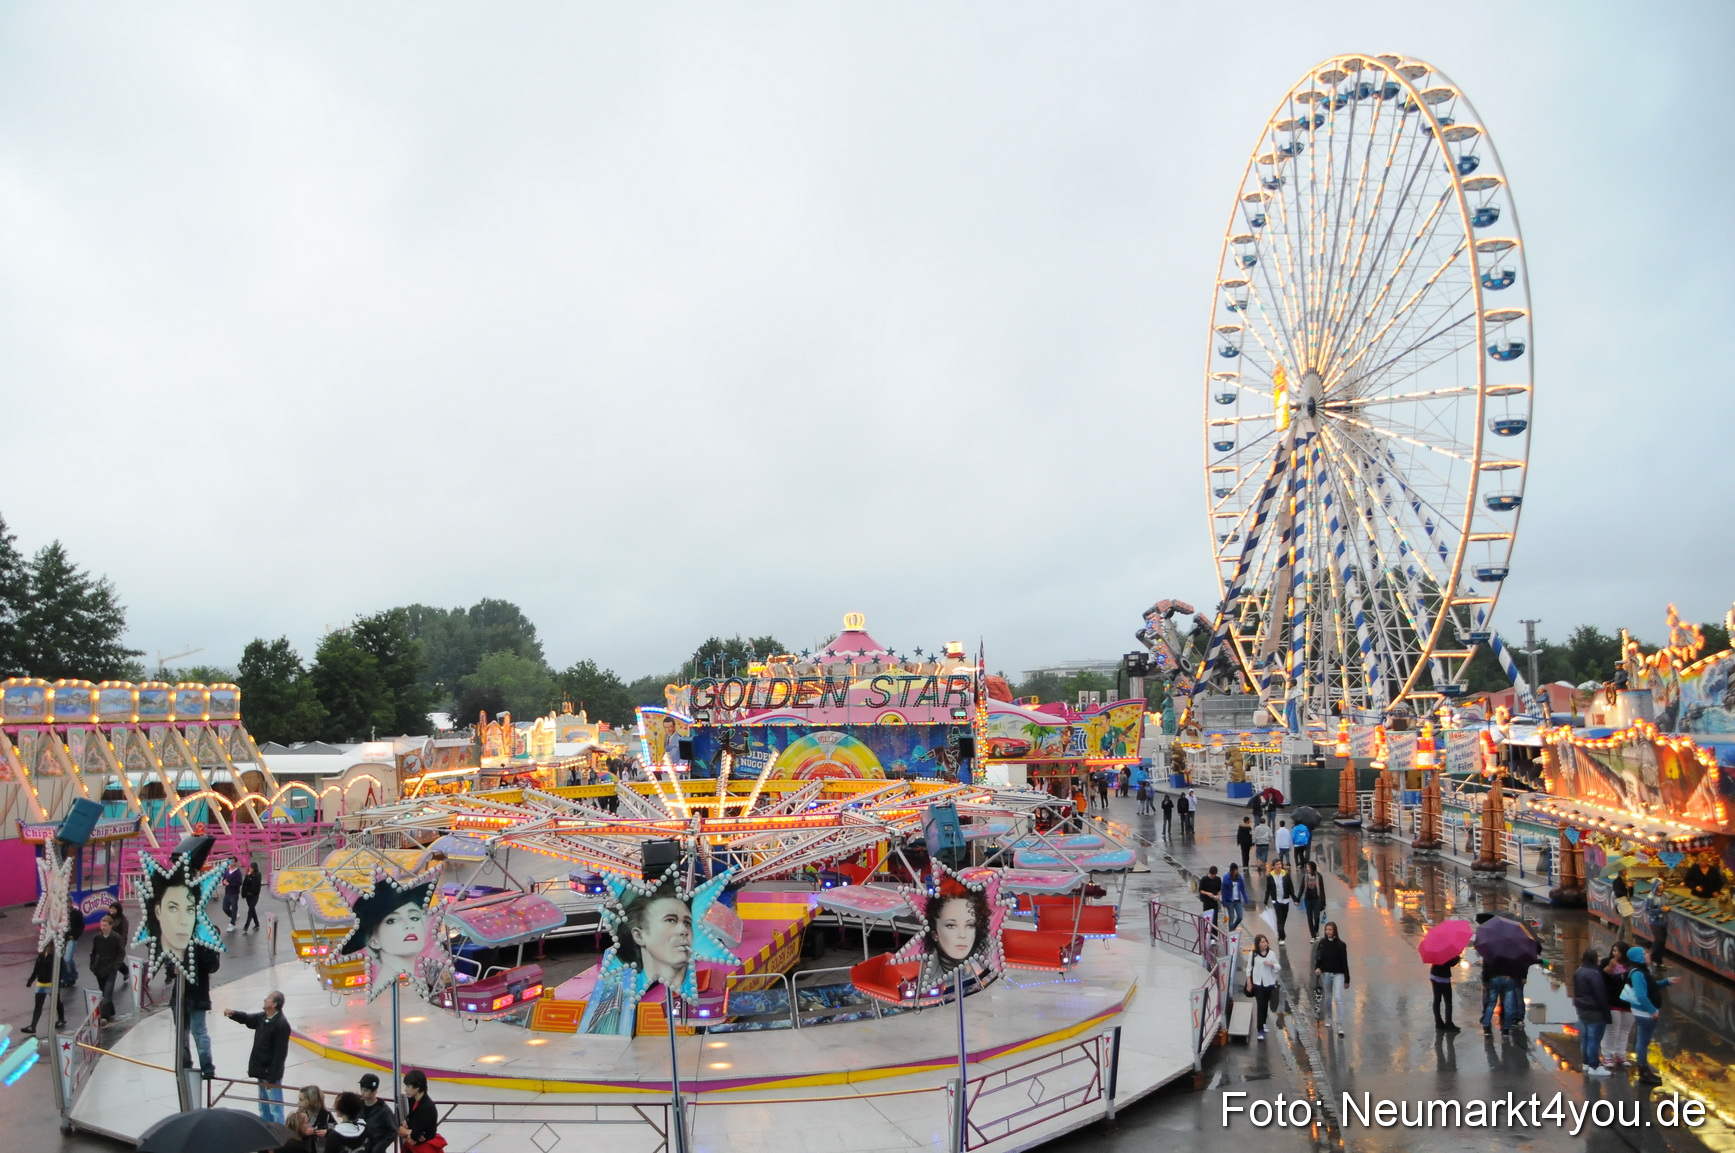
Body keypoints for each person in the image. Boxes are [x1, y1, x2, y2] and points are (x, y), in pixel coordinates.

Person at [226, 990, 290, 1123]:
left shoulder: (281, 1025)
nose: (265, 1000)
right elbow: (248, 1019)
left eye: (268, 998)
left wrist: (272, 1077)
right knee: (263, 1107)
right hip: (261, 1071)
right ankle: (267, 1132)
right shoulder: (263, 1017)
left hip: (270, 1075)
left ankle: (280, 1135)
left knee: (275, 1110)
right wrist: (234, 1014)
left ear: (274, 1004)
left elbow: (280, 1054)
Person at [1625, 945, 1672, 1085]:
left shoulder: (1641, 971)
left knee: (1643, 1042)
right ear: (1638, 957)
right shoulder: (1637, 973)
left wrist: (1666, 982)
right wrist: (1652, 1010)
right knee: (1643, 1042)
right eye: (1644, 953)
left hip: (1645, 1012)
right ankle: (1643, 1071)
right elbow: (1641, 994)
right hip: (1644, 1013)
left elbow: (1650, 986)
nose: (1648, 955)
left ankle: (1644, 1070)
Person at [1572, 947, 1613, 1077]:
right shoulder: (1595, 974)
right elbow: (1600, 994)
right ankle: (1594, 1066)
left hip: (1582, 1009)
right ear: (1595, 959)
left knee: (1585, 1037)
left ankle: (1586, 1063)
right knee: (1594, 1040)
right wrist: (1607, 1015)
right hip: (1595, 1011)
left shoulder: (1579, 971)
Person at [1313, 921, 1350, 1037]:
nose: (1328, 932)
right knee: (1328, 997)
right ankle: (1329, 1017)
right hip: (1326, 973)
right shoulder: (1322, 943)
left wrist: (1347, 979)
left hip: (1338, 974)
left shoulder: (1341, 945)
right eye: (1326, 930)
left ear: (1335, 931)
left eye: (1330, 930)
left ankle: (1340, 1025)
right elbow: (1318, 957)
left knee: (1338, 997)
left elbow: (1344, 962)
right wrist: (1317, 968)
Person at [89, 911, 126, 1022]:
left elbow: (121, 953)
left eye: (105, 925)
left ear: (110, 925)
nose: (103, 927)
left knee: (108, 992)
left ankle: (104, 1016)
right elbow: (94, 952)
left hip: (111, 969)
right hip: (99, 969)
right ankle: (111, 1010)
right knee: (103, 990)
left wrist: (115, 966)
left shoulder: (116, 938)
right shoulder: (97, 938)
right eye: (101, 925)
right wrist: (92, 965)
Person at [1601, 942, 1633, 1069]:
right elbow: (1601, 979)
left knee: (1625, 1030)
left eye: (1619, 951)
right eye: (1614, 950)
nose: (1616, 953)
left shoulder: (1630, 966)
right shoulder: (1606, 962)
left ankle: (1621, 1054)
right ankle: (1608, 1056)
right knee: (1613, 1029)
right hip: (1612, 1001)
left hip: (1627, 1002)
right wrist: (1610, 967)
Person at [1246, 933, 1282, 1040]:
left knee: (1265, 1005)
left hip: (1268, 983)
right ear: (1258, 944)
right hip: (1257, 984)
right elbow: (1248, 968)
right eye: (1262, 942)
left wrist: (1271, 964)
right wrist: (1249, 982)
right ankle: (1260, 1029)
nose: (1264, 943)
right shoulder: (1253, 954)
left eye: (1265, 941)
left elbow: (1278, 967)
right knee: (1260, 1005)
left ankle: (1264, 1023)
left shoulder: (1271, 954)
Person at [22, 945, 63, 1034]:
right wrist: (31, 980)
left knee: (56, 1002)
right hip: (41, 983)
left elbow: (61, 968)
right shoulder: (41, 955)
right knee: (38, 1005)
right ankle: (33, 1026)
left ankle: (61, 1019)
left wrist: (59, 982)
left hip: (52, 983)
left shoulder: (56, 955)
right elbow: (36, 968)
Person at [398, 1068, 441, 1152]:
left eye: (408, 1086)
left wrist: (406, 1131)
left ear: (417, 1087)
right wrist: (409, 1132)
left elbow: (412, 1140)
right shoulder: (411, 1100)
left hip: (425, 1149)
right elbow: (400, 1128)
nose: (405, 1089)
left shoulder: (427, 1107)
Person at [281, 1083, 332, 1151]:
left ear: (311, 1100)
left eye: (301, 1100)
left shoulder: (326, 1115)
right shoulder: (299, 1114)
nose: (298, 1103)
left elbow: (336, 1132)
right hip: (300, 1148)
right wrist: (303, 1132)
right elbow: (291, 1131)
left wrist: (326, 1132)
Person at [357, 1073, 398, 1153]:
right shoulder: (358, 1106)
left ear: (375, 1091)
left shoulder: (384, 1110)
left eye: (365, 1090)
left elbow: (393, 1132)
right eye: (361, 1089)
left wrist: (379, 1147)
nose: (362, 1093)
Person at [1430, 951, 1461, 1032]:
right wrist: (1458, 957)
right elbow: (1452, 963)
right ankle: (1449, 1023)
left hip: (1434, 975)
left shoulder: (1435, 948)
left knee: (1437, 1000)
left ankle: (1438, 1022)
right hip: (1443, 978)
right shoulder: (1446, 950)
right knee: (1448, 1001)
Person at [1265, 863, 1296, 943]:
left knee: (1284, 918)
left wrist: (1295, 899)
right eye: (1277, 864)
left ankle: (1281, 932)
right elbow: (1268, 889)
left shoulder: (1286, 875)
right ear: (1274, 866)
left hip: (1285, 900)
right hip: (1276, 900)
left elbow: (1290, 888)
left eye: (1280, 864)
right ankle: (1281, 937)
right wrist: (1265, 900)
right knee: (1279, 918)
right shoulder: (1270, 876)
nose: (1279, 866)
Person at [1300, 862, 1327, 940]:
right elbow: (1302, 888)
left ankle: (1316, 930)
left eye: (1309, 867)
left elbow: (1322, 890)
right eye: (1307, 867)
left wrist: (1323, 901)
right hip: (1308, 899)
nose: (1307, 869)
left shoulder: (1319, 876)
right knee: (1309, 917)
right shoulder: (1305, 877)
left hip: (1317, 899)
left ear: (1313, 868)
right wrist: (1297, 899)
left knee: (1316, 917)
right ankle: (1313, 935)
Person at [1223, 864, 1248, 931]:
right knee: (1231, 917)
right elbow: (1224, 890)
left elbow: (1242, 889)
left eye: (1237, 870)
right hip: (1229, 900)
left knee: (1240, 916)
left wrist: (1246, 898)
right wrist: (1224, 902)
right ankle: (1231, 932)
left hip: (1238, 900)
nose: (1236, 871)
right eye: (1234, 870)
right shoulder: (1226, 877)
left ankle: (1232, 928)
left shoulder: (1239, 877)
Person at [222, 861, 244, 932]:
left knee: (234, 908)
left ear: (235, 863)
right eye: (230, 862)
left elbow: (239, 883)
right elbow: (224, 879)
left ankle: (232, 923)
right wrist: (224, 882)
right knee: (225, 908)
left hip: (234, 893)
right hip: (227, 893)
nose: (230, 863)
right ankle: (234, 917)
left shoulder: (237, 873)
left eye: (232, 862)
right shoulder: (227, 871)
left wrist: (230, 884)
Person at [242, 861, 264, 933]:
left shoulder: (258, 875)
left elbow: (256, 885)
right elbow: (245, 884)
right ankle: (257, 923)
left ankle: (246, 926)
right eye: (249, 868)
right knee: (252, 910)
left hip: (254, 895)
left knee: (250, 910)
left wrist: (251, 877)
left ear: (254, 868)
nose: (250, 869)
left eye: (251, 868)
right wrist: (248, 876)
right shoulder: (248, 875)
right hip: (248, 895)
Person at [1611, 869, 1635, 935]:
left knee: (1622, 926)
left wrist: (1631, 887)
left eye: (1626, 870)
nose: (1626, 872)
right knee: (1628, 928)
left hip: (1626, 904)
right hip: (1622, 906)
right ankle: (1628, 944)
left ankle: (1619, 941)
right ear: (1620, 871)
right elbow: (1619, 894)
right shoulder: (1616, 882)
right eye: (1624, 870)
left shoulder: (1626, 881)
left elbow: (1630, 894)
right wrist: (1626, 887)